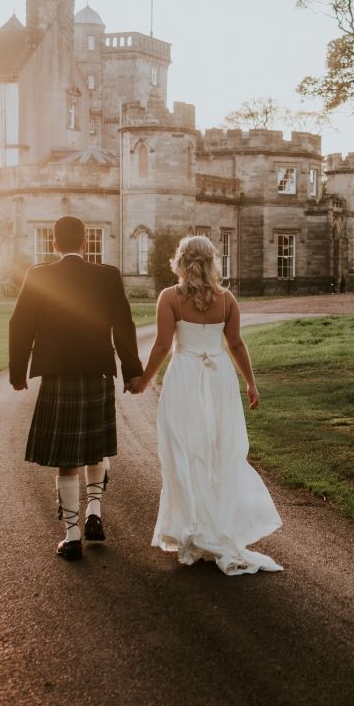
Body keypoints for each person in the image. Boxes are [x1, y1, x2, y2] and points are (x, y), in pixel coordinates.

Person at [137, 235, 283, 575]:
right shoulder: (226, 299)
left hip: (186, 376)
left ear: (180, 262)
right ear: (212, 261)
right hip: (218, 378)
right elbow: (235, 344)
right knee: (218, 450)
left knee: (184, 449)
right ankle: (212, 525)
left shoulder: (170, 297)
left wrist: (144, 381)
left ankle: (193, 526)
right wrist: (250, 382)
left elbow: (161, 346)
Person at [9, 216, 142, 561]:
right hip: (96, 373)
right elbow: (124, 325)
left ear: (54, 244)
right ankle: (94, 511)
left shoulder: (38, 275)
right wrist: (131, 371)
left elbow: (19, 324)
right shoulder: (107, 275)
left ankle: (72, 536)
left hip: (57, 376)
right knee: (94, 447)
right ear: (85, 244)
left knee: (67, 458)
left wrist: (17, 371)